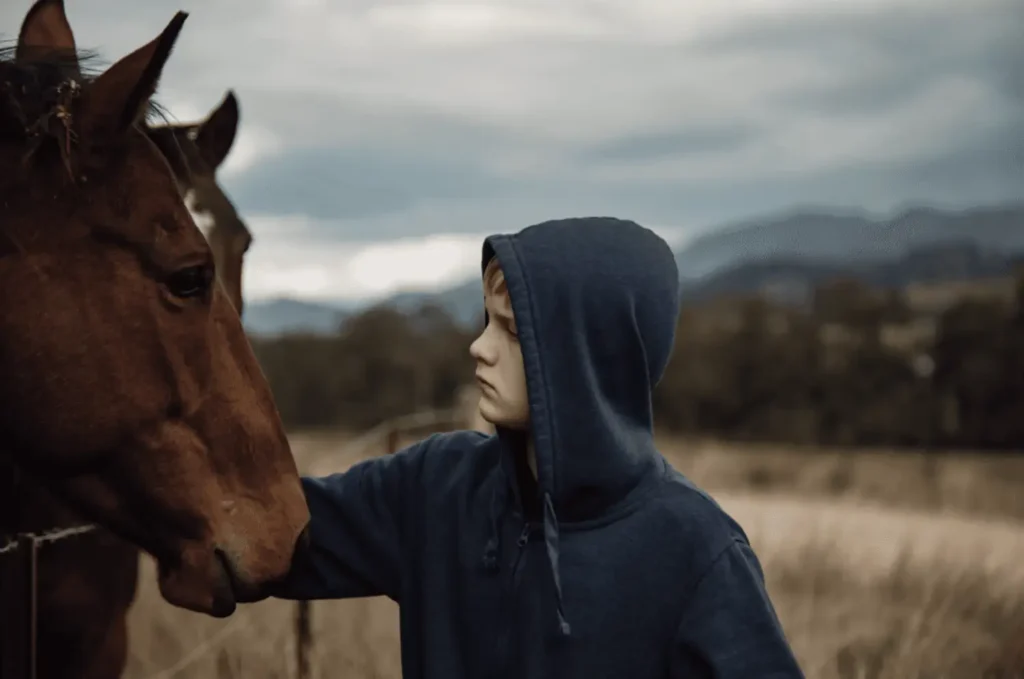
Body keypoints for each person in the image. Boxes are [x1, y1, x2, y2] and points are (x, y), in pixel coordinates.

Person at [271, 216, 805, 678]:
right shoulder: (435, 487)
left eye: (512, 331)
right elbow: (259, 532)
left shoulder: (696, 551)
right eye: (487, 321)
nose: (478, 347)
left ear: (585, 358)